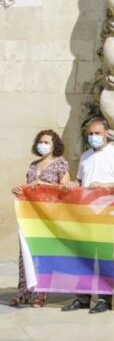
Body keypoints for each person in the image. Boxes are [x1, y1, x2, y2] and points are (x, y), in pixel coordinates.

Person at [61, 117, 114, 314]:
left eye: (97, 133)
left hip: (107, 213)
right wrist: (73, 184)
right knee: (84, 256)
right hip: (85, 213)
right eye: (90, 134)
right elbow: (81, 182)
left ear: (106, 133)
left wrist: (103, 186)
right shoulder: (85, 156)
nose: (94, 137)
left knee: (105, 258)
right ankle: (82, 297)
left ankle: (104, 299)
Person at [10, 130, 71, 307]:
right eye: (40, 141)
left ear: (54, 145)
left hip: (48, 216)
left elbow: (65, 189)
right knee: (25, 253)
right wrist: (19, 190)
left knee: (44, 255)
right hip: (30, 215)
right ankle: (22, 292)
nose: (42, 145)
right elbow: (29, 188)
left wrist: (45, 185)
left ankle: (41, 294)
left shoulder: (60, 164)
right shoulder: (33, 165)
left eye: (46, 142)